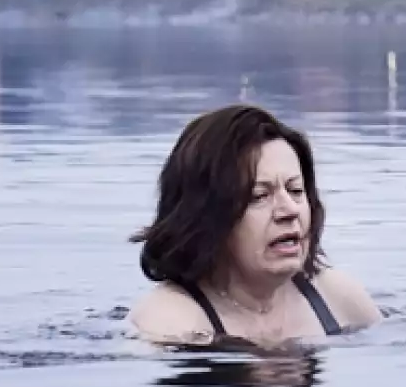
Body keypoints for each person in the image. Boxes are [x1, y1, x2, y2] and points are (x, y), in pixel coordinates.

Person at [126, 105, 382, 346]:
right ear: (206, 215)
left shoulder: (337, 299)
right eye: (260, 196)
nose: (290, 211)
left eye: (295, 190)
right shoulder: (169, 322)